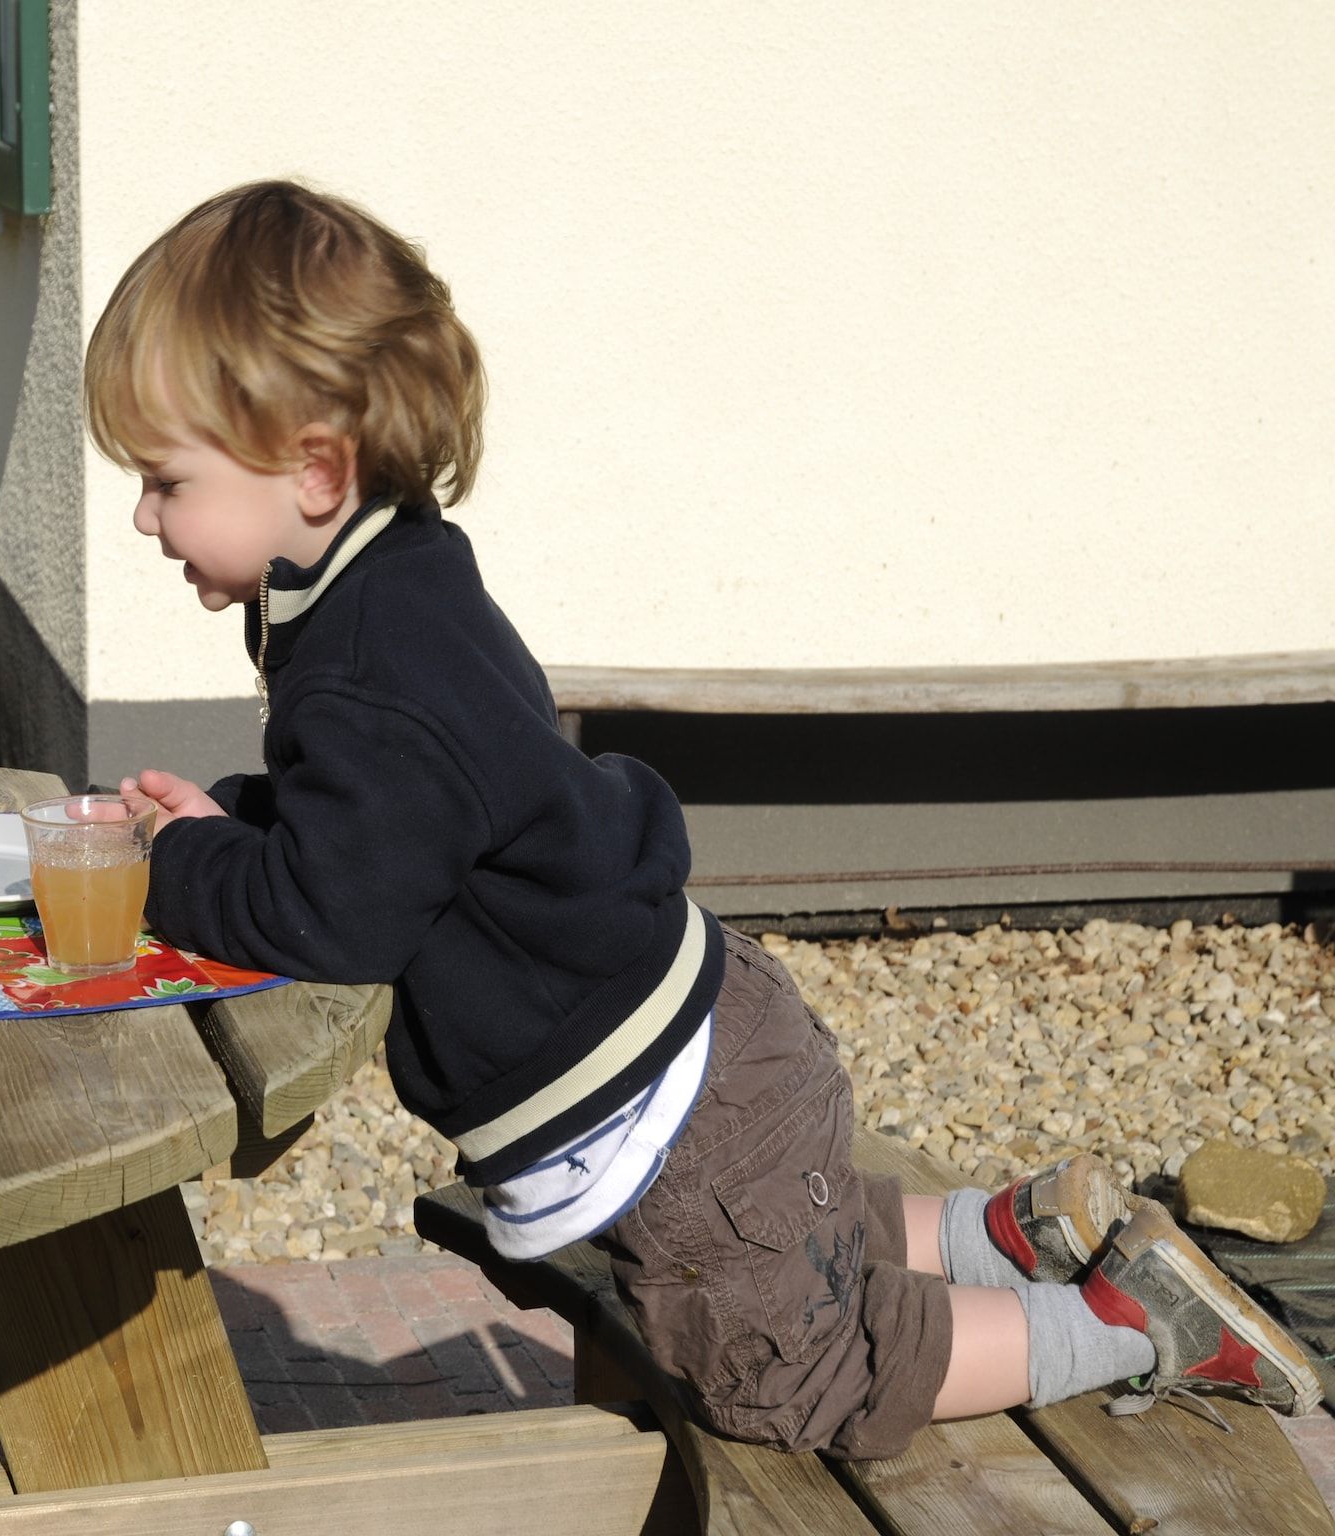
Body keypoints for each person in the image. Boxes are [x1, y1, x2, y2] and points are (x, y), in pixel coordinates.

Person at [81, 179, 1320, 1458]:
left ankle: (1129, 1324)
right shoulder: (395, 577)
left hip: (674, 1118)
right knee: (784, 1235)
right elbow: (398, 819)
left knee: (791, 1378)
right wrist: (239, 820)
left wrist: (179, 867)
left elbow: (334, 913)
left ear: (314, 469)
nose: (143, 517)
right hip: (703, 1063)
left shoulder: (366, 666)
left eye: (165, 481)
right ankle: (1009, 1234)